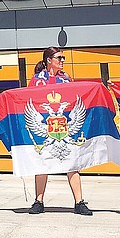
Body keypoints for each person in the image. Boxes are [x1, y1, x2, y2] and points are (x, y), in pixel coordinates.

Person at [26, 47, 93, 216]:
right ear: (49, 60)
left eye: (63, 58)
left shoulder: (66, 79)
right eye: (59, 58)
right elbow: (29, 101)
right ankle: (38, 201)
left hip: (65, 128)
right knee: (41, 164)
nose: (62, 61)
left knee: (73, 164)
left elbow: (76, 99)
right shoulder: (37, 80)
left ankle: (79, 202)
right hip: (45, 127)